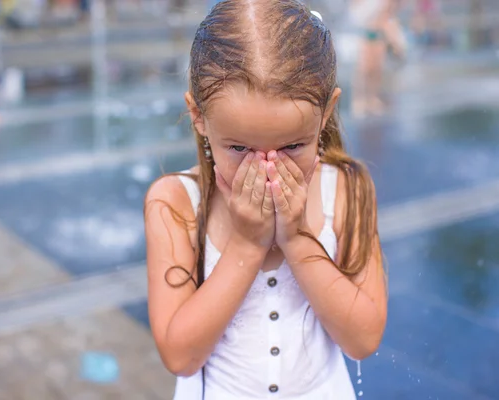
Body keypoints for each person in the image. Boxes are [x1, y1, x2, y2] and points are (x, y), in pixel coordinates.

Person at [144, 1, 387, 399]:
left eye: (292, 145)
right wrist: (247, 243)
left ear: (325, 115)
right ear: (198, 116)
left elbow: (363, 339)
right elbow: (180, 356)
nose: (268, 169)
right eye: (239, 147)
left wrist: (296, 238)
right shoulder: (174, 203)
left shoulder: (347, 188)